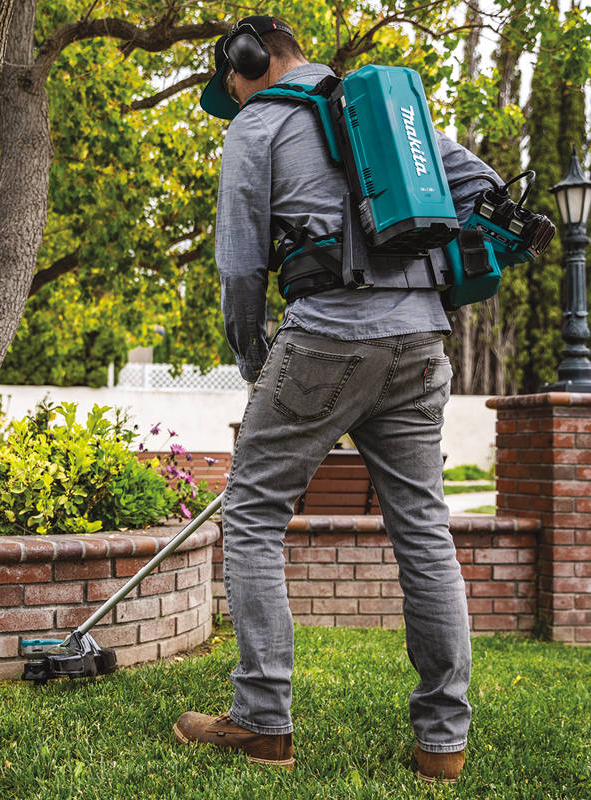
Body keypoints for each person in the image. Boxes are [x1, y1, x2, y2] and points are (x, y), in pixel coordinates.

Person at [172, 15, 501, 782]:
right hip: (422, 340)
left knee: (252, 514)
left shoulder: (257, 125)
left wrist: (253, 355)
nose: (234, 95)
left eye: (231, 83)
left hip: (324, 338)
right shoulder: (386, 109)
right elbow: (482, 188)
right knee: (424, 530)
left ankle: (262, 722)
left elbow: (240, 264)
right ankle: (442, 744)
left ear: (249, 59)